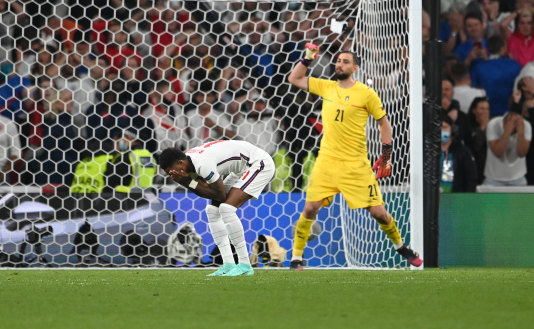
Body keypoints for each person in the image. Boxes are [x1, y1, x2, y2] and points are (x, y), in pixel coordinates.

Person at [286, 44, 422, 270]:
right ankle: (296, 258)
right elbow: (295, 78)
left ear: (355, 68)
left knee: (379, 213)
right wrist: (307, 59)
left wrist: (386, 156)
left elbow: (384, 123)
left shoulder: (366, 94)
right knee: (310, 208)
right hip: (327, 162)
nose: (340, 64)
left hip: (356, 165)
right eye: (338, 61)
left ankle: (401, 247)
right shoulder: (326, 86)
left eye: (345, 61)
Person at [158, 140, 276, 276]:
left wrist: (187, 182)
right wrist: (187, 182)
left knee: (226, 209)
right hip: (241, 168)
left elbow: (219, 195)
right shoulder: (188, 164)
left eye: (171, 172)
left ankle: (245, 264)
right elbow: (204, 190)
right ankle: (228, 264)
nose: (172, 176)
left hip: (259, 163)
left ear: (180, 163)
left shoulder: (202, 164)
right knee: (212, 211)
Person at [483, 111, 531, 186]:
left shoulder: (526, 125)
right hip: (493, 179)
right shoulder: (493, 124)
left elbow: (522, 153)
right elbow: (498, 152)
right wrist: (507, 131)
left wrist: (521, 132)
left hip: (518, 178)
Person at [439, 113, 478, 192]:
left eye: (444, 127)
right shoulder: (427, 151)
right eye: (437, 128)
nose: (440, 131)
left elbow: (471, 179)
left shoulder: (463, 152)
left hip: (456, 198)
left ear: (452, 130)